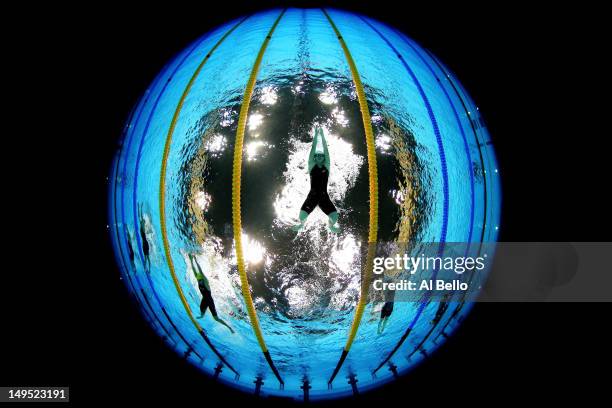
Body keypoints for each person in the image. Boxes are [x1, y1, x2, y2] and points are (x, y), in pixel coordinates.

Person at [293, 127, 340, 232]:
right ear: (314, 158)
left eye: (321, 155)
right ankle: (302, 225)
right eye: (317, 155)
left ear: (324, 158)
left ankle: (330, 226)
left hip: (324, 198)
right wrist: (316, 135)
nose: (319, 156)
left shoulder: (326, 166)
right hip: (312, 197)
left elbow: (326, 150)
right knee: (301, 217)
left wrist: (322, 136)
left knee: (335, 217)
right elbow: (314, 147)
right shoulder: (311, 166)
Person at [188, 253, 234, 334]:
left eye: (200, 278)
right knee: (201, 314)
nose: (199, 279)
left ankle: (229, 328)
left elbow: (200, 271)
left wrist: (195, 259)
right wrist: (191, 260)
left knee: (216, 318)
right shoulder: (199, 280)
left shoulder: (206, 282)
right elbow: (194, 270)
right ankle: (202, 316)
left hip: (209, 301)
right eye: (198, 278)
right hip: (204, 300)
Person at [138, 203, 151, 272]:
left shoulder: (142, 227)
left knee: (146, 258)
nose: (143, 220)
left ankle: (147, 269)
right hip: (145, 243)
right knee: (147, 258)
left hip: (145, 243)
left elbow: (139, 215)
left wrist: (139, 207)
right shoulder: (142, 225)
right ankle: (148, 269)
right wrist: (139, 207)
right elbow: (139, 215)